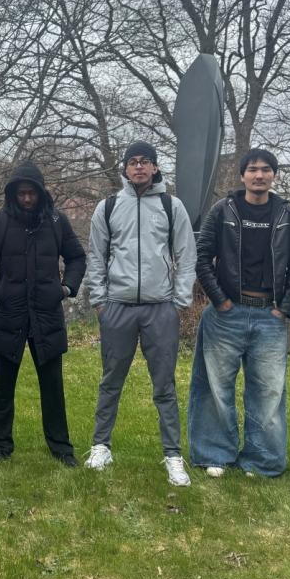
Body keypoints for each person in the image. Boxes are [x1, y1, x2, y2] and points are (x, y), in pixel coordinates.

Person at [187, 148, 290, 479]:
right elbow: (201, 257)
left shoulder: (287, 214)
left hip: (270, 316)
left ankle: (262, 460)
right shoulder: (223, 210)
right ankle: (214, 454)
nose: (259, 175)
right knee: (214, 387)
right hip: (225, 315)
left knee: (268, 392)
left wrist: (285, 308)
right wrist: (220, 300)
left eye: (266, 169)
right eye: (252, 169)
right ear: (242, 175)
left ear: (274, 175)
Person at [83, 142, 197, 486]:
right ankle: (101, 446)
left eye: (145, 161)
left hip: (160, 308)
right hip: (117, 307)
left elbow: (186, 255)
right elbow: (96, 256)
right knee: (110, 381)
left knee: (164, 384)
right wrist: (100, 302)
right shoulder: (108, 207)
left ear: (155, 167)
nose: (139, 167)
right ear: (125, 168)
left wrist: (179, 302)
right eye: (132, 162)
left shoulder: (171, 206)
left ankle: (173, 455)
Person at [0, 160, 86, 466]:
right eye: (21, 193)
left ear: (40, 192)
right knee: (3, 386)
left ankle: (61, 448)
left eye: (31, 193)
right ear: (13, 193)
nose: (26, 198)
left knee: (52, 386)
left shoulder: (57, 221)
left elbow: (77, 258)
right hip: (10, 313)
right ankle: (0, 447)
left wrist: (66, 288)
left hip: (47, 314)